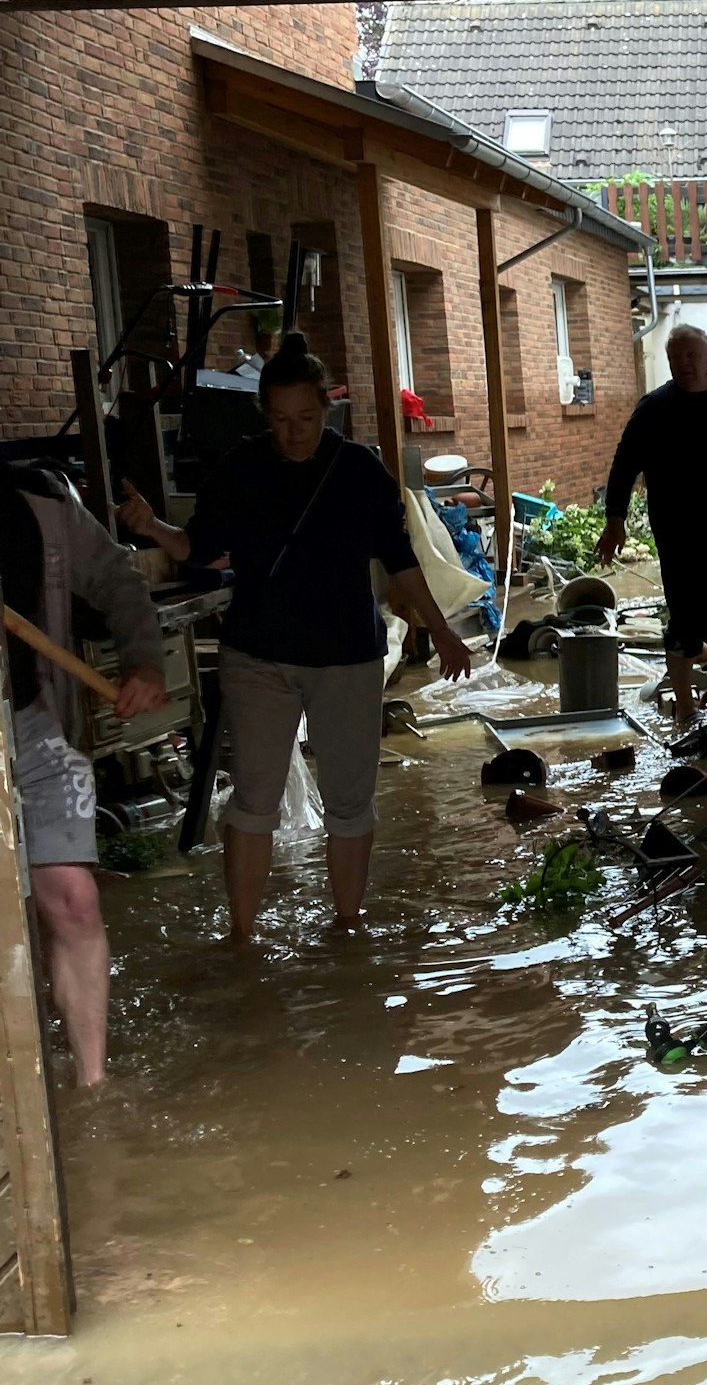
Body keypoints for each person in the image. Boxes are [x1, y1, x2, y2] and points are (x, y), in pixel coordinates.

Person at [120, 333, 470, 938]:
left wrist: (441, 631)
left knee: (350, 799)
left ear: (326, 409)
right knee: (253, 800)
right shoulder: (239, 468)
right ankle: (242, 936)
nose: (294, 432)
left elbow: (400, 558)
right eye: (280, 420)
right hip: (259, 654)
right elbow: (198, 550)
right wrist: (152, 525)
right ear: (264, 416)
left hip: (347, 657)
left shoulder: (360, 471)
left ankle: (347, 926)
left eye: (306, 418)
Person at [0, 460, 167, 1085]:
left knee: (73, 899)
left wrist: (145, 662)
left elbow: (121, 585)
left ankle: (92, 1086)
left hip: (28, 720)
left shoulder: (36, 500)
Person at [597, 323, 707, 723]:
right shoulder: (654, 409)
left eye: (692, 355)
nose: (684, 364)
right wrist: (614, 521)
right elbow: (623, 466)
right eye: (676, 357)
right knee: (688, 622)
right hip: (681, 539)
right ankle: (686, 709)